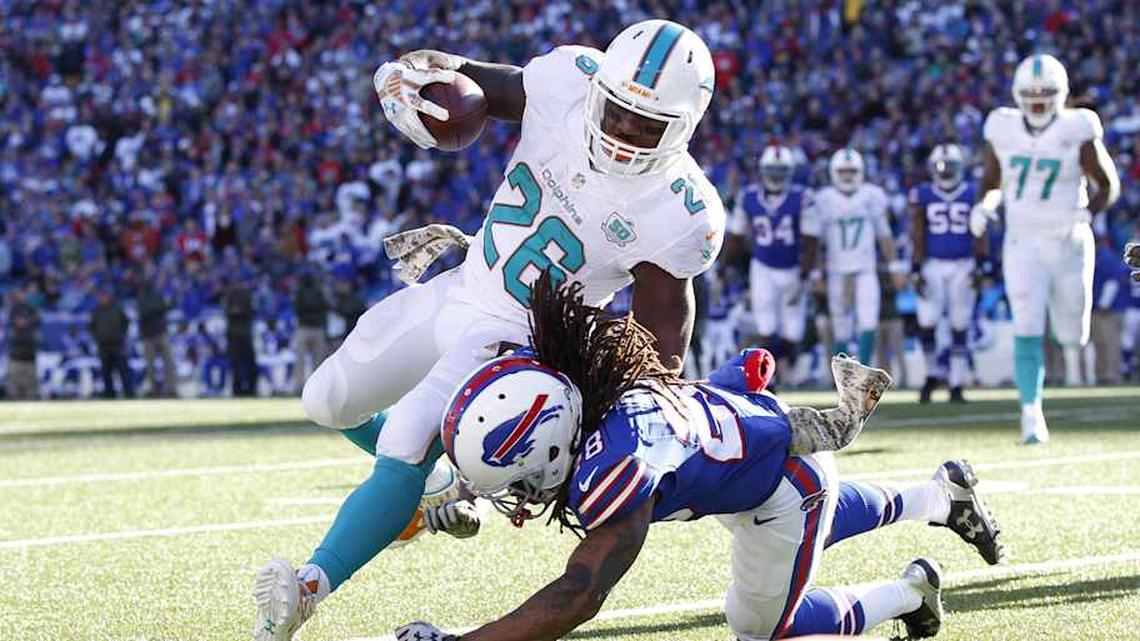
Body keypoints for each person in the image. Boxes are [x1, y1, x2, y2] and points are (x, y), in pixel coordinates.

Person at [254, 19, 726, 641]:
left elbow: (664, 323)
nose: (624, 134)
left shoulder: (678, 207)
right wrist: (407, 78)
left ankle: (311, 585)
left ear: (685, 127)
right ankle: (440, 487)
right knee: (327, 400)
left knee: (404, 439)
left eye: (648, 126)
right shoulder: (567, 80)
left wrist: (639, 408)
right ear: (599, 87)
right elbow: (477, 83)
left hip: (519, 340)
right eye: (616, 112)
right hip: (464, 283)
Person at [394, 276, 1003, 641]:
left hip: (779, 485)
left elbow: (579, 592)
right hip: (749, 440)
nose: (521, 492)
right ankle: (940, 498)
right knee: (817, 516)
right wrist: (466, 492)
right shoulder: (588, 392)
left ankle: (909, 593)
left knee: (760, 627)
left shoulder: (617, 464)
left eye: (520, 478)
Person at [969, 54, 1120, 444]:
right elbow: (991, 179)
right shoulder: (1002, 127)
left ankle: (1070, 355)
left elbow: (1108, 183)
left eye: (1045, 94)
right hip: (1022, 239)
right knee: (1027, 322)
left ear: (1061, 95)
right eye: (1030, 94)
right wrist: (985, 204)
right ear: (1018, 95)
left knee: (1073, 330)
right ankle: (1031, 414)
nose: (1037, 102)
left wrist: (1092, 211)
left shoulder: (1077, 127)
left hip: (1068, 237)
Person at [803, 148, 908, 365]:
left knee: (868, 318)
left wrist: (895, 266)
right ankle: (843, 376)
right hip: (836, 268)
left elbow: (885, 235)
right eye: (842, 171)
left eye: (852, 171)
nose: (847, 176)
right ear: (833, 172)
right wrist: (815, 272)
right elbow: (815, 242)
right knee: (840, 323)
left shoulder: (872, 195)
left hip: (864, 268)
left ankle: (864, 371)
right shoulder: (823, 199)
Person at [727, 145, 811, 385]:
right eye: (772, 170)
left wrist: (805, 275)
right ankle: (765, 381)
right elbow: (736, 236)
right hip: (762, 267)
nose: (775, 175)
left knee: (793, 336)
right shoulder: (749, 197)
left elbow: (811, 241)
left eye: (781, 170)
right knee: (767, 328)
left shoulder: (802, 198)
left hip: (793, 268)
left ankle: (759, 367)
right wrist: (724, 269)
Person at [909, 143, 980, 403]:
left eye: (950, 167)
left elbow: (980, 231)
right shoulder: (924, 193)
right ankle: (931, 375)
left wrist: (982, 263)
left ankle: (957, 383)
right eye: (941, 167)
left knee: (960, 325)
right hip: (933, 264)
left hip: (964, 263)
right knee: (927, 323)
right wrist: (916, 267)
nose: (946, 172)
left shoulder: (972, 192)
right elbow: (918, 232)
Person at [88, 289, 134, 398]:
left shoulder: (117, 308)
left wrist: (121, 335)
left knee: (123, 370)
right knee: (106, 371)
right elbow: (91, 326)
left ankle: (128, 393)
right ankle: (109, 394)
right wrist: (98, 337)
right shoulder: (96, 311)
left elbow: (126, 322)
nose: (103, 299)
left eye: (105, 296)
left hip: (117, 344)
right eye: (102, 297)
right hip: (103, 345)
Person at [136, 279, 177, 397]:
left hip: (161, 332)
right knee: (150, 365)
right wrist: (159, 306)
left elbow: (170, 305)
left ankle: (170, 389)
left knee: (169, 362)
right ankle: (152, 390)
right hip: (148, 335)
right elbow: (145, 311)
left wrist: (158, 306)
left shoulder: (156, 296)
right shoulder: (141, 298)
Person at [291, 270, 330, 394]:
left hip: (307, 327)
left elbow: (297, 308)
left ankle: (303, 387)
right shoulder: (317, 291)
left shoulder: (301, 292)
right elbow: (324, 307)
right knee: (313, 360)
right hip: (312, 327)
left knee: (305, 360)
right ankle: (313, 388)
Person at [223, 278, 257, 397]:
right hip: (234, 335)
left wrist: (237, 311)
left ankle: (251, 389)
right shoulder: (228, 297)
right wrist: (238, 311)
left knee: (250, 363)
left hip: (245, 335)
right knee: (236, 364)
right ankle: (237, 390)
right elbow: (227, 312)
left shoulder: (246, 296)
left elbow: (250, 311)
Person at [6, 285, 40, 400]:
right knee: (14, 387)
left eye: (23, 293)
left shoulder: (32, 309)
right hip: (15, 355)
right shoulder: (13, 309)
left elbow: (37, 321)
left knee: (31, 387)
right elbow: (11, 322)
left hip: (30, 355)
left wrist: (26, 322)